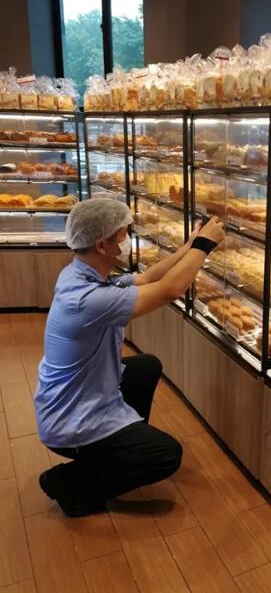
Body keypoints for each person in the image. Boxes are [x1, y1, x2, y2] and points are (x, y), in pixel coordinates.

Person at [34, 198, 224, 517]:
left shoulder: (81, 274)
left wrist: (190, 245)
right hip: (69, 421)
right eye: (122, 234)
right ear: (101, 245)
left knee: (146, 366)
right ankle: (72, 484)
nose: (127, 239)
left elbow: (149, 280)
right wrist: (204, 246)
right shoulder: (87, 299)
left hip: (73, 398)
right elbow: (168, 290)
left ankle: (121, 448)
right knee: (167, 455)